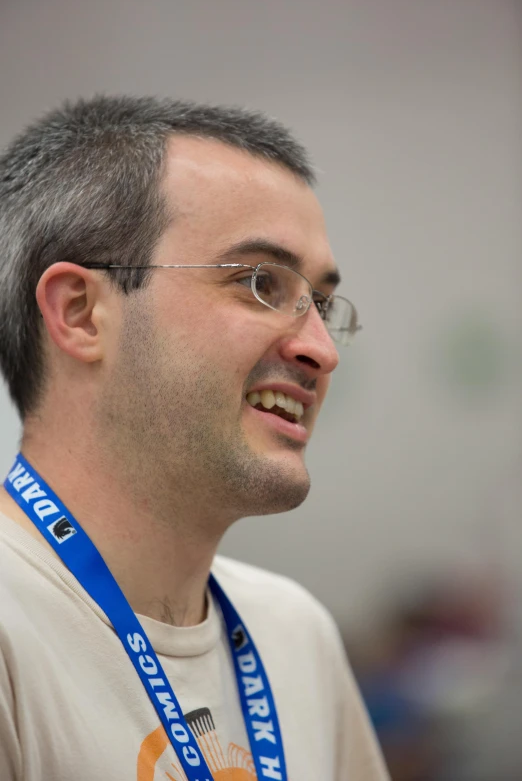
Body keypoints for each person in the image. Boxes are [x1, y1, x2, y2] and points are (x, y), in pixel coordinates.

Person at [0, 95, 388, 780]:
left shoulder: (295, 632)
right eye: (260, 282)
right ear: (82, 313)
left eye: (321, 303)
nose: (322, 350)